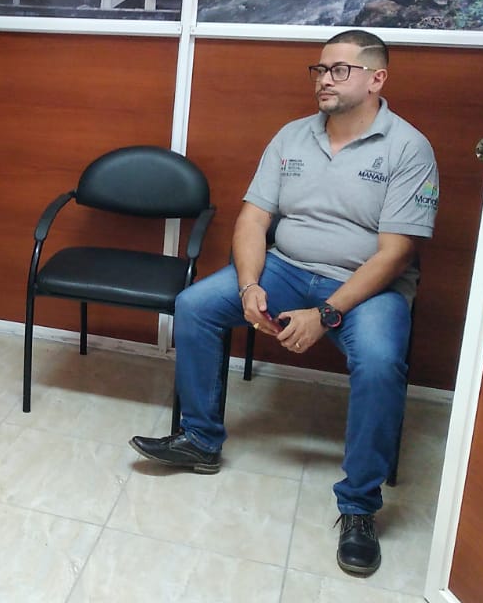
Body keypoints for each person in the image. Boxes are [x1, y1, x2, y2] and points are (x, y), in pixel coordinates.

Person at [129, 30, 439, 577]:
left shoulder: (408, 148)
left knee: (379, 360)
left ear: (376, 79)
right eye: (319, 70)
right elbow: (253, 220)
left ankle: (359, 505)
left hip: (367, 284)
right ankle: (200, 440)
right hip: (287, 267)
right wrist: (250, 286)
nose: (324, 80)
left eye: (339, 70)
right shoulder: (292, 136)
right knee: (196, 305)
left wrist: (326, 314)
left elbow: (395, 253)